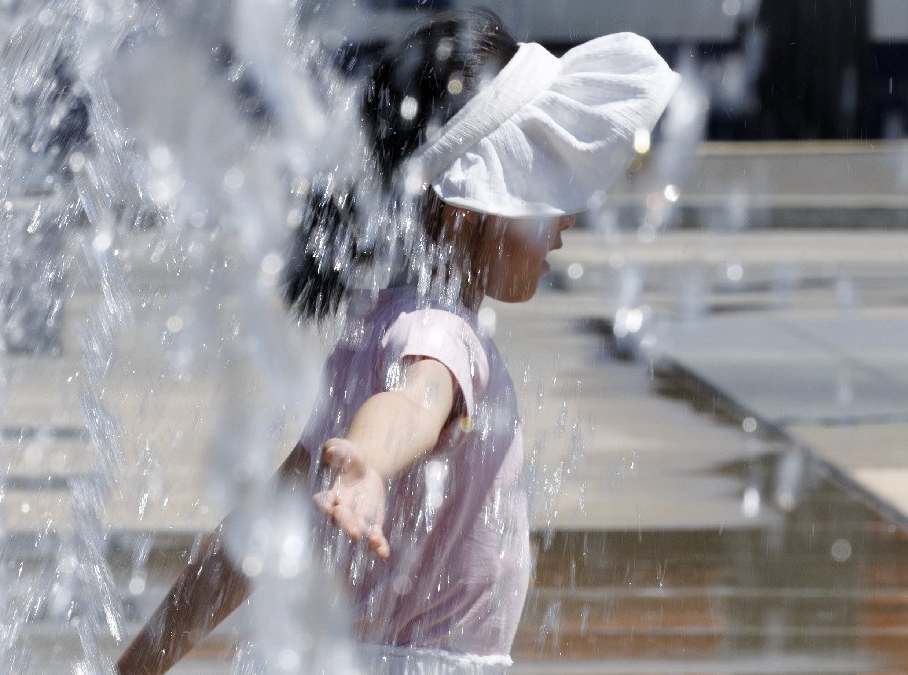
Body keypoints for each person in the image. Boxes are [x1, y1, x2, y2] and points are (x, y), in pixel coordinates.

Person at [117, 9, 679, 673]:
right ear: (469, 206)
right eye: (545, 188)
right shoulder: (443, 333)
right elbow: (418, 395)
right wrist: (369, 460)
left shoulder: (370, 330)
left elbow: (250, 541)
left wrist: (143, 659)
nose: (566, 219)